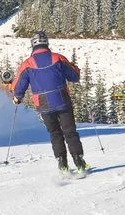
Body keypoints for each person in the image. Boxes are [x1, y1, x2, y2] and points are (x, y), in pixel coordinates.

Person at [11, 31, 88, 173]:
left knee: (54, 133)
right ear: (46, 43)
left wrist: (17, 97)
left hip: (43, 104)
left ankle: (62, 164)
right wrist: (75, 68)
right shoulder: (57, 58)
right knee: (70, 131)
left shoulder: (27, 64)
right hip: (62, 100)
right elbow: (74, 76)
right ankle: (79, 161)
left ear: (33, 45)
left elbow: (18, 85)